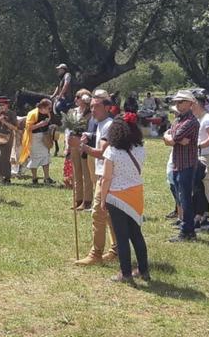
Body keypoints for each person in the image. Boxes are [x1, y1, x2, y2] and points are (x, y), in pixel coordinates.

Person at [100, 113, 149, 283]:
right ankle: (144, 270)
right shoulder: (141, 149)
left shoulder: (112, 152)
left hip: (116, 196)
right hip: (136, 194)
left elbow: (106, 178)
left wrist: (102, 199)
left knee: (121, 236)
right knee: (136, 234)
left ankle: (125, 273)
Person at [76, 96, 117, 265]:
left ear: (107, 107)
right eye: (91, 107)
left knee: (98, 214)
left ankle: (96, 254)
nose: (92, 110)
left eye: (96, 107)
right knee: (109, 216)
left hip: (108, 175)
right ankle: (117, 250)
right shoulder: (102, 124)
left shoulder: (108, 125)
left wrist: (83, 147)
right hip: (104, 173)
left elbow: (102, 152)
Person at [164, 90, 200, 242]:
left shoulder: (191, 121)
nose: (177, 104)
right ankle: (187, 230)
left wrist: (172, 137)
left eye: (181, 102)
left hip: (187, 164)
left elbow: (175, 136)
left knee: (185, 199)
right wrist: (170, 137)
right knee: (181, 197)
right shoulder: (178, 120)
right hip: (178, 163)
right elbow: (170, 135)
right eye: (176, 102)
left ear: (190, 103)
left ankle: (187, 231)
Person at [192, 95, 209, 232]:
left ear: (198, 103)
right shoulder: (199, 119)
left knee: (202, 188)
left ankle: (199, 217)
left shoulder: (208, 119)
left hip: (206, 158)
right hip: (200, 156)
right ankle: (205, 217)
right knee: (199, 188)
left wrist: (196, 146)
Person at [63, 92, 93, 209]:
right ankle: (78, 199)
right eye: (75, 96)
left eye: (78, 97)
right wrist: (67, 145)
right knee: (76, 173)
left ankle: (87, 201)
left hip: (84, 143)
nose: (75, 99)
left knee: (86, 173)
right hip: (73, 143)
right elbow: (67, 129)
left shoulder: (90, 113)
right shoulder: (72, 111)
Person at [19, 99, 55, 185]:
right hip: (34, 138)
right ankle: (34, 178)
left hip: (44, 137)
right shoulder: (32, 114)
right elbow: (28, 128)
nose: (50, 110)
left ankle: (47, 178)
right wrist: (40, 124)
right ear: (43, 107)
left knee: (46, 156)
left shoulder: (47, 113)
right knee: (35, 158)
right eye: (49, 108)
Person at [0, 96, 18, 183]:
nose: (0, 106)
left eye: (2, 104)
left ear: (7, 105)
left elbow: (15, 127)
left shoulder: (12, 114)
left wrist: (4, 122)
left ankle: (6, 177)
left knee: (4, 157)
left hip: (7, 136)